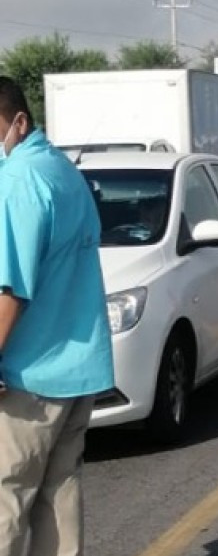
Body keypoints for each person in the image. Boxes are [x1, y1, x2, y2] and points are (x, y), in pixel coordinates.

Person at [0, 77, 114, 556]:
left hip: (29, 372)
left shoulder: (19, 179)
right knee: (60, 488)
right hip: (78, 366)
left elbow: (11, 289)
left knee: (7, 493)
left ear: (19, 121)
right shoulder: (63, 169)